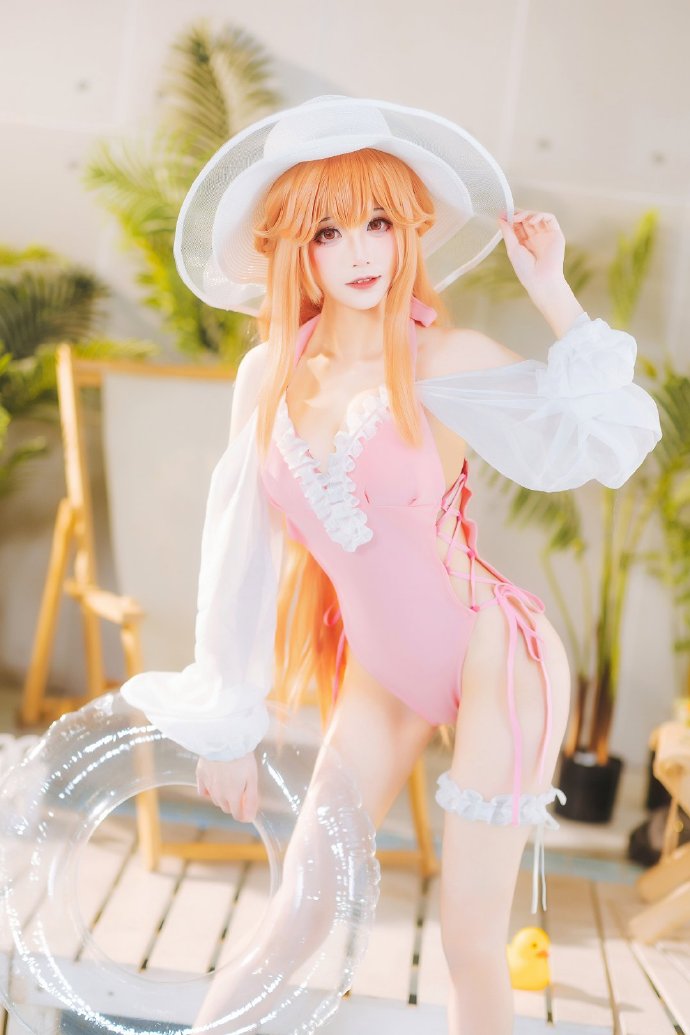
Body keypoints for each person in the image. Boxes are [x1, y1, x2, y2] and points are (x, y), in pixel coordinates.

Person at [121, 95, 662, 1035]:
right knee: (297, 914)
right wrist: (228, 723)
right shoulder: (268, 376)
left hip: (500, 660)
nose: (362, 251)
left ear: (409, 229)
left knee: (467, 941)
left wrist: (551, 290)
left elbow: (608, 435)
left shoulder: (442, 358)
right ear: (293, 248)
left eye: (379, 221)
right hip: (383, 674)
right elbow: (238, 553)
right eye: (330, 231)